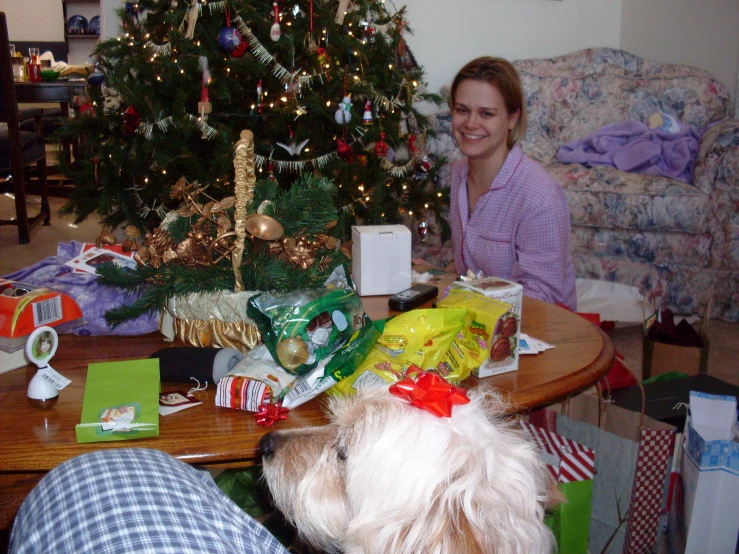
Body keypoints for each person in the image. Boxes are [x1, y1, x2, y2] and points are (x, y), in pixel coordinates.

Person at [446, 56, 577, 310]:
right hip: (477, 323)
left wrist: (466, 304)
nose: (471, 123)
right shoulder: (458, 175)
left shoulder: (540, 196)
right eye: (462, 110)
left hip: (536, 332)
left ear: (512, 118)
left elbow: (543, 298)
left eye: (486, 113)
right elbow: (471, 270)